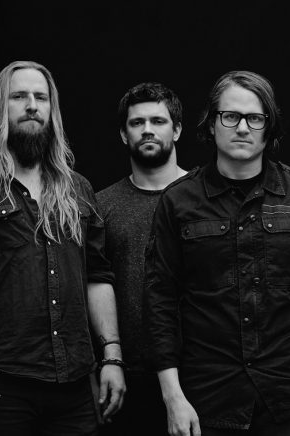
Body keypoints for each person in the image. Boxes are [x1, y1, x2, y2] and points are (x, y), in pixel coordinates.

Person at [143, 70, 290, 436]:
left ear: (269, 127)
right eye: (231, 116)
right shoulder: (178, 201)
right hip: (209, 398)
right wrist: (172, 397)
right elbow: (159, 302)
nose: (242, 128)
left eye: (255, 118)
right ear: (211, 124)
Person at [0, 60, 126, 435]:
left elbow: (98, 276)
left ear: (51, 110)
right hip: (0, 384)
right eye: (19, 96)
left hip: (75, 384)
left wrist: (112, 357)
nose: (31, 106)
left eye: (41, 97)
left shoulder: (78, 189)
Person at [97, 82, 187, 435]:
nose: (147, 129)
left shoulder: (206, 197)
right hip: (125, 375)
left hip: (198, 372)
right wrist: (111, 358)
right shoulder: (102, 205)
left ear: (176, 130)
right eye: (137, 123)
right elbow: (94, 284)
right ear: (124, 134)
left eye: (158, 121)